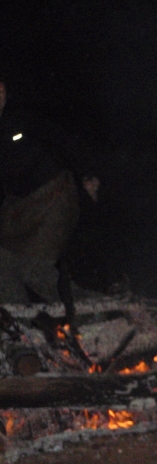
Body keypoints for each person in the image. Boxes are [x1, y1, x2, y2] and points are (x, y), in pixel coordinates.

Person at [0, 79, 100, 304]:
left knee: (34, 268)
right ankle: (17, 318)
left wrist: (87, 174)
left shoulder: (21, 117)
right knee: (3, 261)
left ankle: (99, 310)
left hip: (53, 197)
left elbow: (61, 138)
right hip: (17, 210)